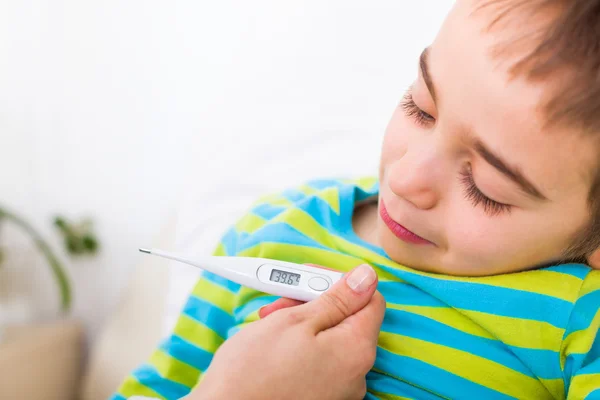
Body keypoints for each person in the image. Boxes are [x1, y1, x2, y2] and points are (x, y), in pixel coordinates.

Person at [113, 0, 600, 398]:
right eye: (421, 107)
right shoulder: (274, 228)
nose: (407, 179)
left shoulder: (582, 321)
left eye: (485, 188)